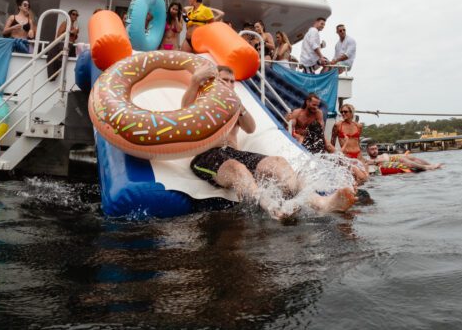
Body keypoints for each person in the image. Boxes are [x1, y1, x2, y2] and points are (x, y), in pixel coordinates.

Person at [185, 64, 357, 219]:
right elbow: (186, 112)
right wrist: (195, 82)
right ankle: (271, 207)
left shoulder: (235, 107)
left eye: (231, 81)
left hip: (233, 153)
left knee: (278, 162)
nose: (229, 84)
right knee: (237, 168)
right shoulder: (202, 103)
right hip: (207, 156)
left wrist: (237, 104)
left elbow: (250, 128)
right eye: (224, 80)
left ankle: (321, 203)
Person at [365, 141, 443, 173]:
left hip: (389, 159)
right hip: (386, 164)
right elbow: (368, 163)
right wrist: (374, 161)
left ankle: (430, 164)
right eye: (372, 149)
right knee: (402, 159)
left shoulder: (381, 155)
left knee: (410, 157)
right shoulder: (367, 160)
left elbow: (385, 157)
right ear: (368, 151)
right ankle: (427, 167)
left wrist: (377, 160)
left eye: (375, 149)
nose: (375, 151)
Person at [47, 10, 80, 79]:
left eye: (77, 15)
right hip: (62, 47)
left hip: (69, 48)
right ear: (69, 15)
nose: (75, 16)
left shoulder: (74, 27)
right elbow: (59, 36)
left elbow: (72, 40)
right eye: (73, 14)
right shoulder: (65, 23)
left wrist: (75, 33)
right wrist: (71, 32)